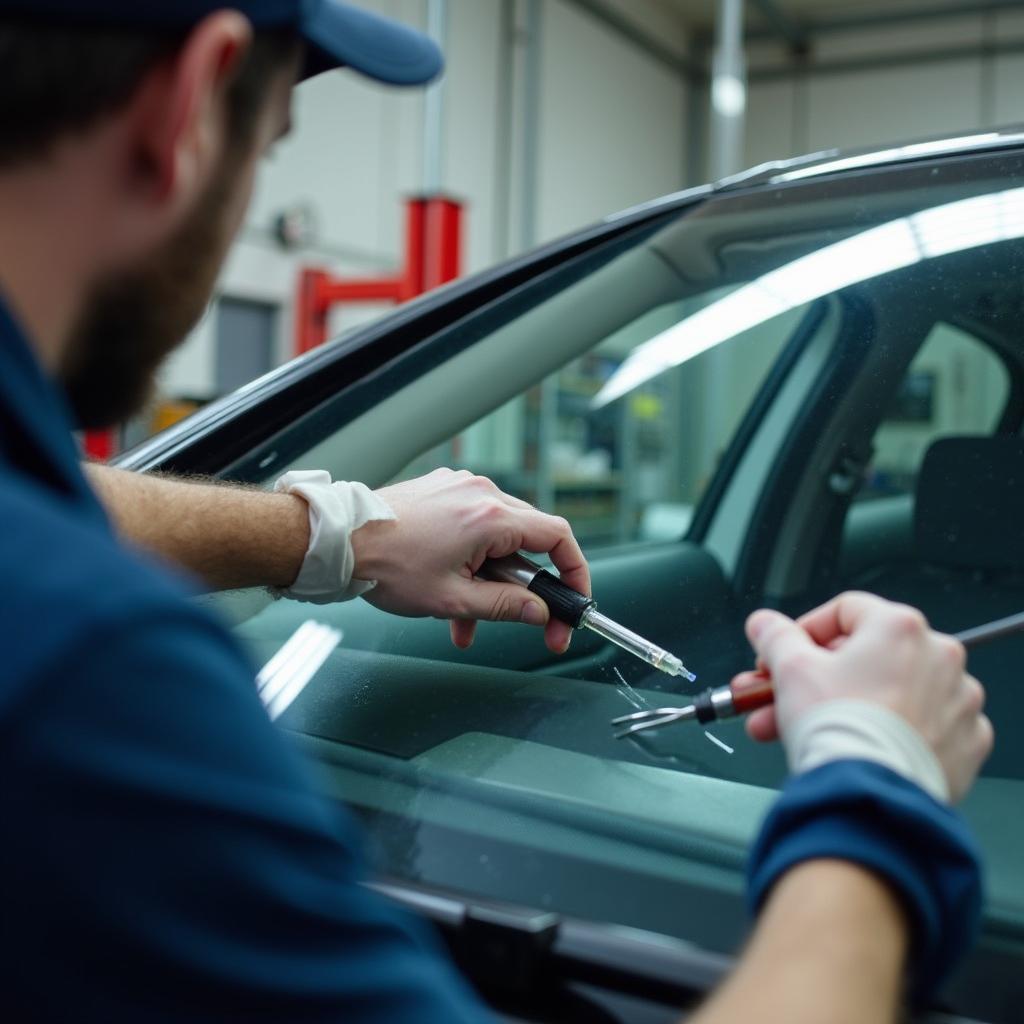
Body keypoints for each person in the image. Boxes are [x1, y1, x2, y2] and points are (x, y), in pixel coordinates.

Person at [0, 2, 991, 1022]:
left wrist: (341, 531)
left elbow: (36, 498)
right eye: (270, 147)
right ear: (193, 105)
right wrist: (882, 786)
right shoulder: (92, 676)